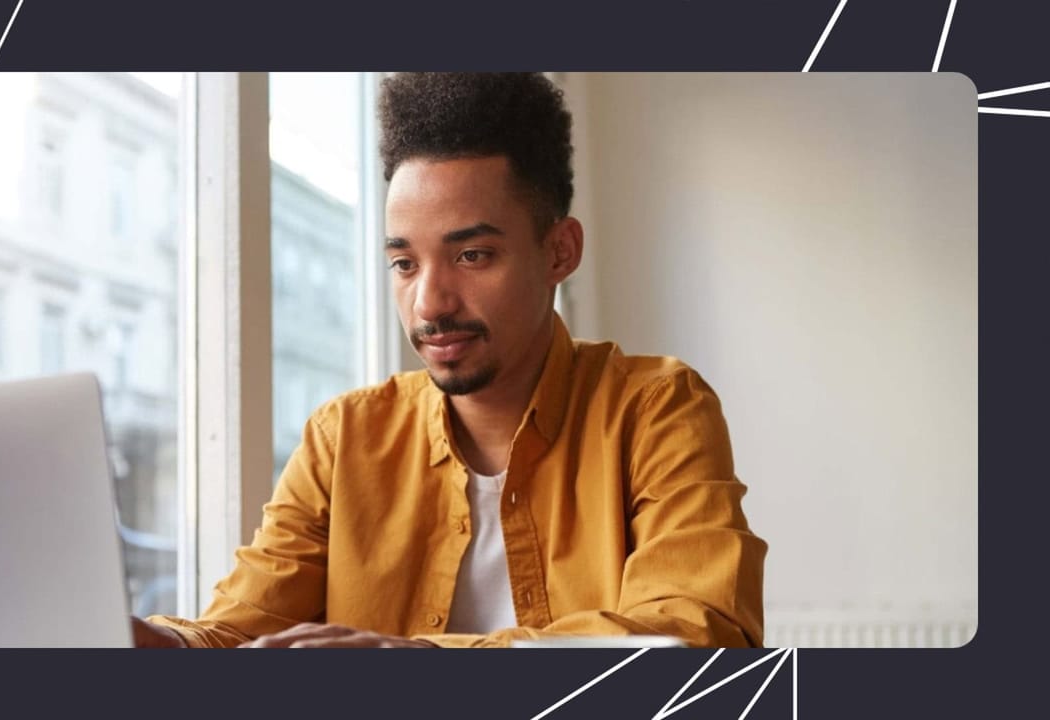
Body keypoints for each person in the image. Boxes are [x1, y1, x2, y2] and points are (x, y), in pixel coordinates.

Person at [133, 72, 767, 649]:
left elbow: (697, 635)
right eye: (404, 263)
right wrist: (148, 643)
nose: (428, 303)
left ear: (560, 252)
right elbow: (238, 631)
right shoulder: (343, 439)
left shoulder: (658, 408)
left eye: (472, 256)